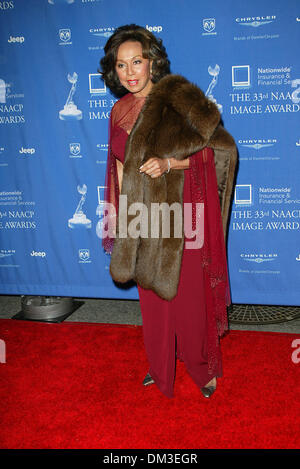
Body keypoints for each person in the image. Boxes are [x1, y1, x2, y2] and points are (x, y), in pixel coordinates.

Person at [100, 24, 237, 399]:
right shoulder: (118, 110)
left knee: (188, 296)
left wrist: (168, 163)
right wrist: (121, 214)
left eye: (137, 62)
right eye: (122, 65)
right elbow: (119, 166)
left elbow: (214, 152)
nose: (130, 73)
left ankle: (200, 366)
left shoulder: (176, 99)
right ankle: (159, 365)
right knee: (152, 295)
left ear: (151, 62)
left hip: (180, 213)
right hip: (142, 215)